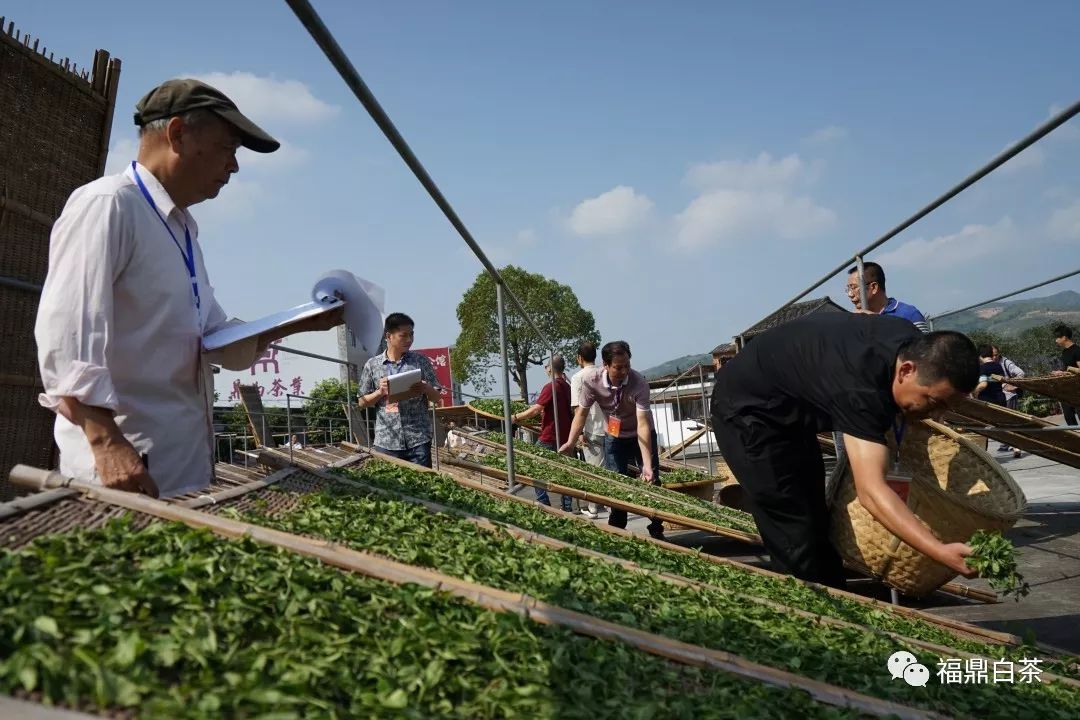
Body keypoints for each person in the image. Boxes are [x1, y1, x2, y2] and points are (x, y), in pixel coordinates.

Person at [35, 78, 343, 499]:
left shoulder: (182, 230)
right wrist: (106, 443)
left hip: (181, 470)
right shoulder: (108, 205)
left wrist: (300, 323)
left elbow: (212, 340)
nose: (233, 166)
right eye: (228, 149)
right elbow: (66, 342)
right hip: (123, 472)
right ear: (177, 134)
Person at [710, 313, 979, 588]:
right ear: (906, 370)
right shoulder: (860, 387)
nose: (936, 413)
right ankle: (807, 616)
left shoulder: (906, 338)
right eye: (932, 401)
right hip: (746, 414)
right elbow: (871, 493)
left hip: (787, 414)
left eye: (946, 406)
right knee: (793, 529)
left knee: (815, 519)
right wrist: (938, 550)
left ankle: (838, 600)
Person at [559, 341, 666, 539]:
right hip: (615, 435)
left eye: (627, 365)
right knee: (616, 483)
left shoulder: (639, 383)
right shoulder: (592, 381)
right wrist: (570, 442)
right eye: (618, 367)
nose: (624, 370)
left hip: (640, 434)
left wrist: (647, 465)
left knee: (652, 481)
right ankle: (617, 531)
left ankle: (657, 529)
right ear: (605, 365)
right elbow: (581, 414)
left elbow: (642, 424)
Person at [357, 313, 442, 467]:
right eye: (403, 336)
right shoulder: (372, 365)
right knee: (388, 487)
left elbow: (437, 398)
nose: (409, 340)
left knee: (423, 487)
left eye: (411, 335)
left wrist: (425, 388)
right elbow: (361, 402)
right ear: (388, 336)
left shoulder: (420, 361)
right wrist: (379, 392)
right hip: (386, 441)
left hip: (418, 439)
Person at [513, 356, 573, 510]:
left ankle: (543, 501)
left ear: (550, 369)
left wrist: (515, 417)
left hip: (550, 436)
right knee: (565, 473)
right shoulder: (567, 386)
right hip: (566, 436)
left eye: (546, 367)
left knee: (533, 466)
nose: (545, 369)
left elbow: (536, 408)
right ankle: (567, 506)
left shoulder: (550, 386)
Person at [570, 342, 608, 519]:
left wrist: (579, 433)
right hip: (610, 427)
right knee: (611, 468)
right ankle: (614, 506)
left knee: (594, 471)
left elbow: (578, 409)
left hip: (590, 429)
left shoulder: (578, 377)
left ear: (579, 358)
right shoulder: (604, 373)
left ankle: (594, 507)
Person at [845, 262, 929, 332]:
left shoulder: (909, 314)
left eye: (854, 288)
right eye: (848, 289)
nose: (850, 294)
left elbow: (927, 349)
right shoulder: (857, 320)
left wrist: (877, 321)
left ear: (873, 287)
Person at [992, 345, 1025, 458]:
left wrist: (1012, 385)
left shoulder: (1005, 362)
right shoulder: (990, 364)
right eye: (992, 355)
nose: (994, 357)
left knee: (1011, 421)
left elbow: (1021, 373)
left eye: (996, 354)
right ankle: (1006, 443)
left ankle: (1015, 444)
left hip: (1009, 396)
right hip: (999, 396)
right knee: (1002, 421)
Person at [1053, 324, 1080, 426]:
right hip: (1067, 389)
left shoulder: (1077, 350)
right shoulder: (1065, 352)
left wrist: (1067, 370)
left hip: (1077, 389)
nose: (1056, 340)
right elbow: (1066, 369)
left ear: (1064, 337)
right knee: (1068, 416)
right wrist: (1060, 372)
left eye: (1057, 337)